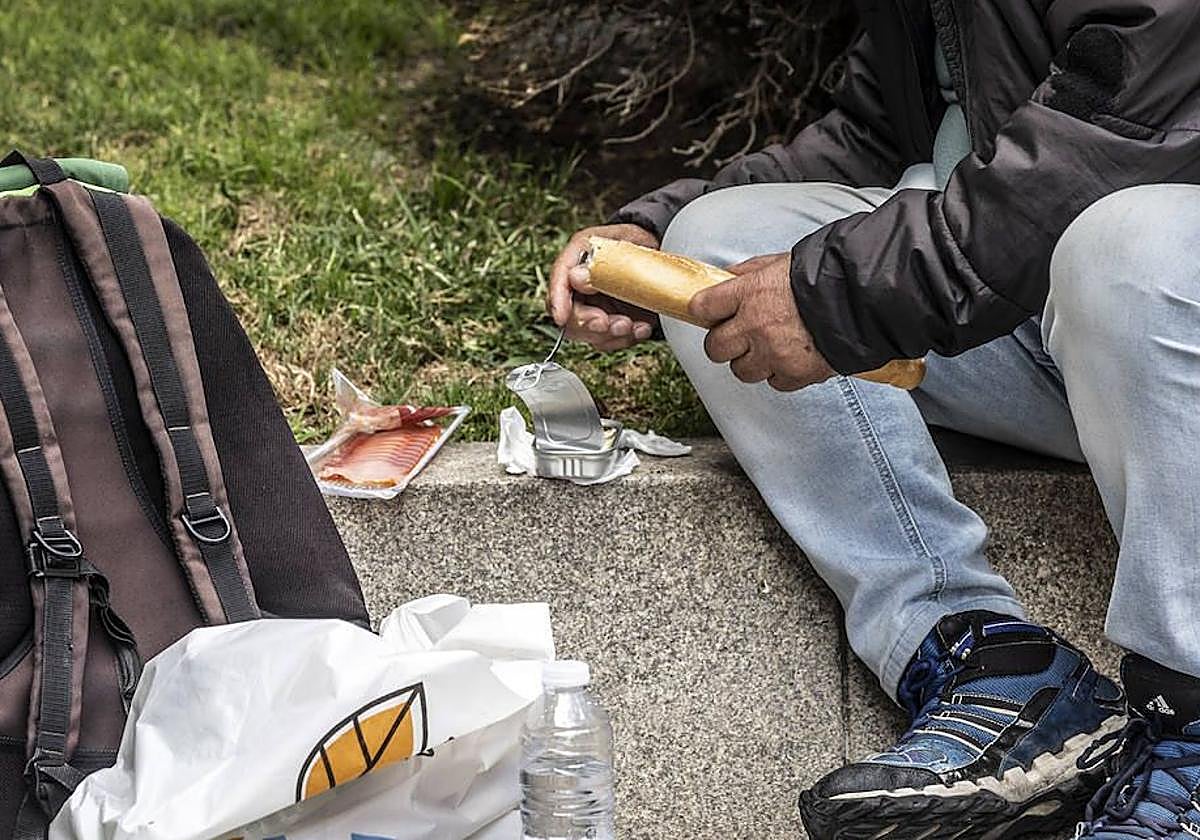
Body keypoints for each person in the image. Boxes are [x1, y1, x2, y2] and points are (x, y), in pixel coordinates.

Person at [546, 3, 1200, 839]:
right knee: (713, 251)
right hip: (1063, 328)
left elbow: (1100, 158)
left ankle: (1189, 726)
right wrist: (652, 230)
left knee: (1127, 242)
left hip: (1164, 316)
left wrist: (827, 297)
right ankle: (998, 668)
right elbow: (876, 136)